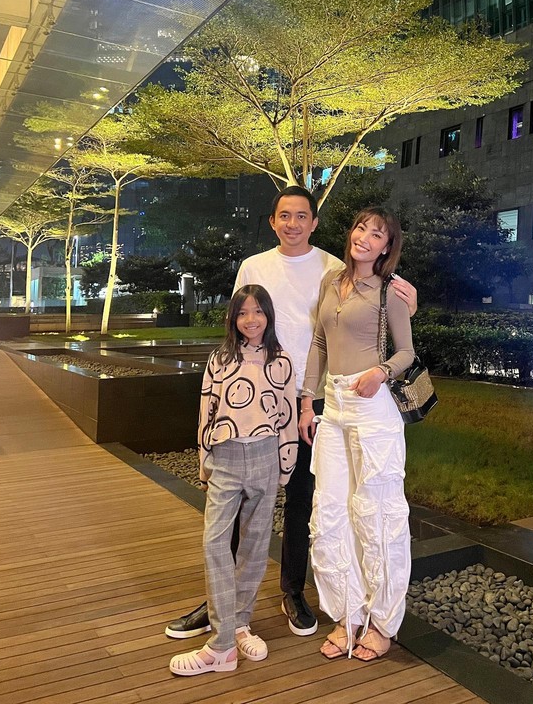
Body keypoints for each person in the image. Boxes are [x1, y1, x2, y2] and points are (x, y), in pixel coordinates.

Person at [165, 185, 417, 641]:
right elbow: (240, 323)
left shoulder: (333, 267)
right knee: (238, 502)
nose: (293, 223)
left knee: (304, 498)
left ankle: (293, 591)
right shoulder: (254, 266)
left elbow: (373, 304)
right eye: (285, 215)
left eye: (302, 216)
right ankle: (221, 602)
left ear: (315, 223)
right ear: (273, 221)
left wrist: (408, 300)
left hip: (317, 398)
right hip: (258, 399)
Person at [298, 206, 414, 662]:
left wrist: (380, 373)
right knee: (331, 512)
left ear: (387, 247)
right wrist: (307, 401)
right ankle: (347, 614)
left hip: (373, 407)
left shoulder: (391, 290)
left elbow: (406, 352)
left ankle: (382, 622)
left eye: (377, 234)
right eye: (361, 228)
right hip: (333, 407)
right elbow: (319, 343)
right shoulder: (332, 281)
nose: (364, 237)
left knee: (378, 513)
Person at [169, 285, 298, 676]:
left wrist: (285, 465)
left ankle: (240, 624)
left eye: (258, 311)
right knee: (215, 542)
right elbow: (206, 411)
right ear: (233, 318)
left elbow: (287, 417)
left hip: (265, 455)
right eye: (242, 313)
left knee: (256, 546)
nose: (250, 320)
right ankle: (222, 642)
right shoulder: (220, 359)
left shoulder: (281, 360)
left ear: (268, 315)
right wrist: (205, 462)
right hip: (226, 457)